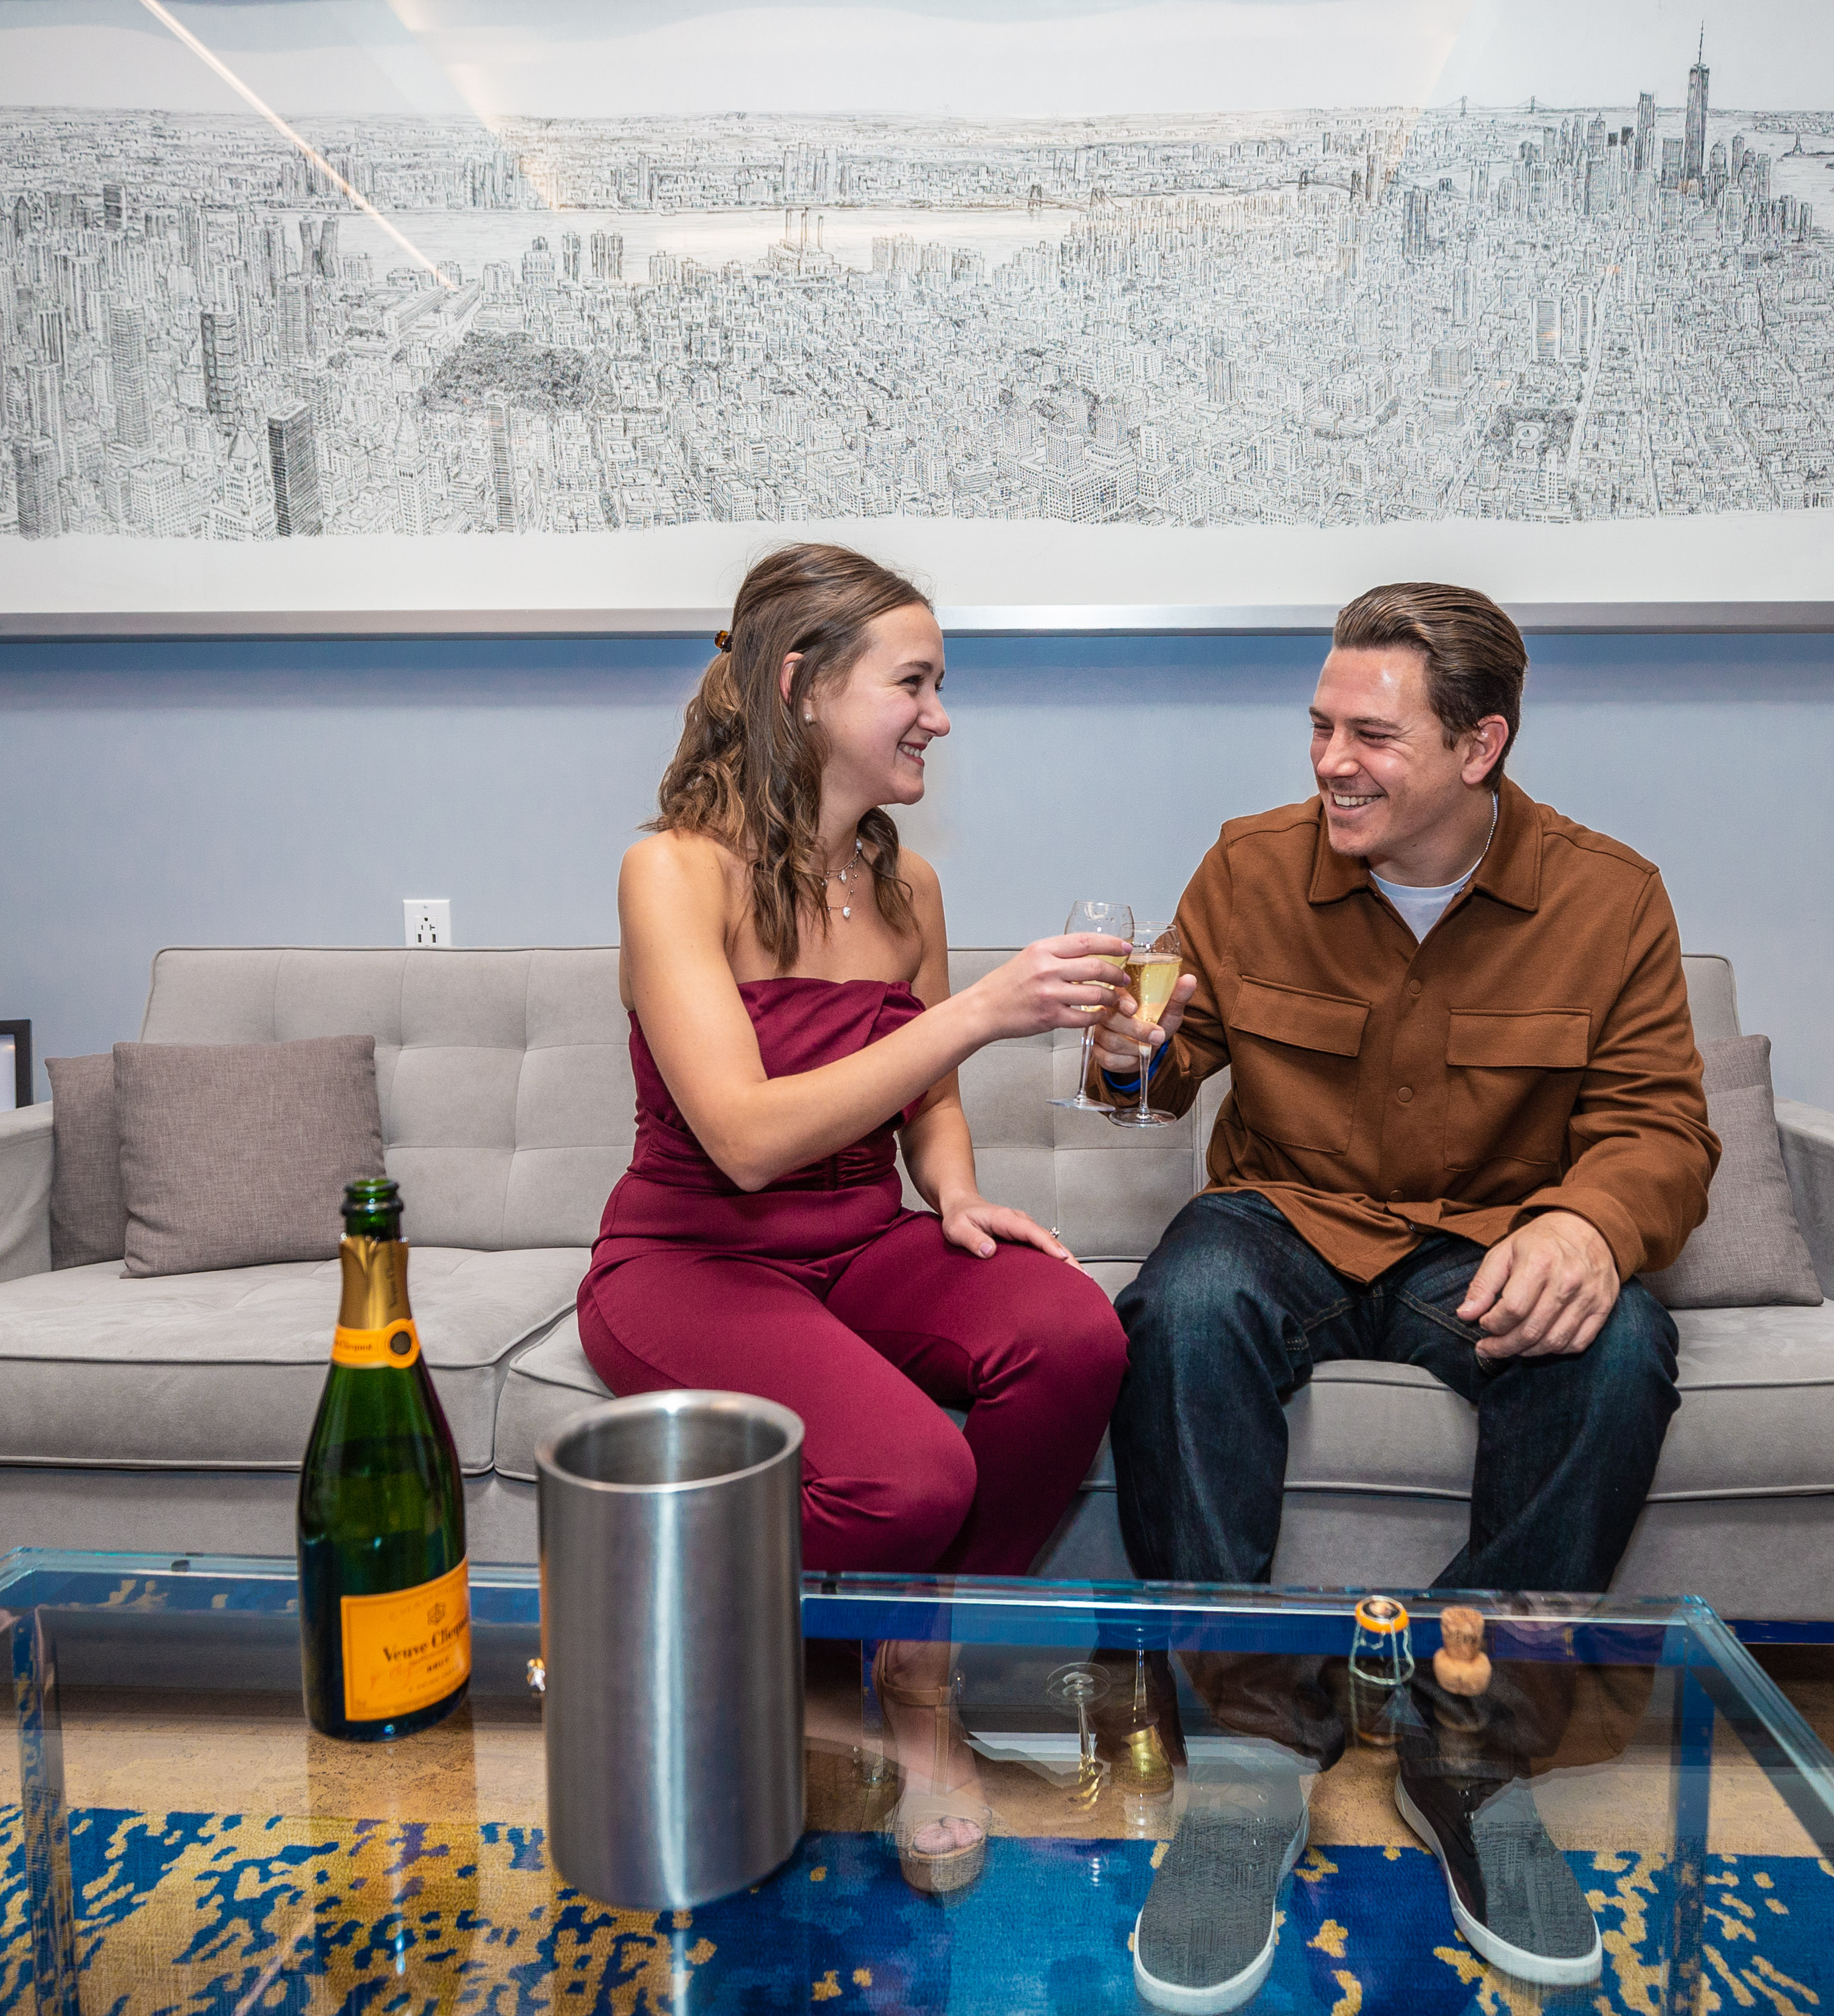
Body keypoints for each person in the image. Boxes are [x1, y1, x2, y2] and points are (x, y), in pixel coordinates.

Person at [1086, 582, 1717, 2008]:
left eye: (1370, 735)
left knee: (1622, 1339)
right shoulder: (1247, 865)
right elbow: (1161, 1067)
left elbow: (1661, 1126)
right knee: (1183, 1303)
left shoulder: (1609, 895)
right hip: (1286, 1216)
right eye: (1319, 725)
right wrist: (1132, 1052)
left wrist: (1590, 1221)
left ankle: (1467, 1741)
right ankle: (1247, 1747)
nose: (1329, 761)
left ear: (1479, 744)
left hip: (1482, 1243)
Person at [579, 542, 1130, 1899]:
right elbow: (747, 1137)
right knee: (910, 1479)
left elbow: (923, 1090)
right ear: (803, 686)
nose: (941, 716)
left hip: (863, 1236)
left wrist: (955, 1187)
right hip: (694, 1253)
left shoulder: (907, 885)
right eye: (915, 683)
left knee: (1077, 1333)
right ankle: (745, 1675)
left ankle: (917, 1662)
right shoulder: (674, 872)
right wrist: (980, 1011)